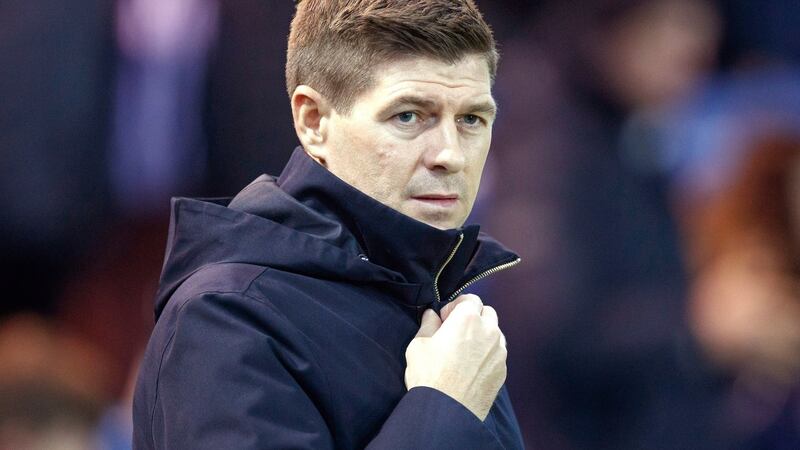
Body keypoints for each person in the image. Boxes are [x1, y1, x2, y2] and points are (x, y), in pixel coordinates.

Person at [132, 1, 523, 449]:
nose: (450, 155)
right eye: (409, 116)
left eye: (471, 119)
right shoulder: (225, 320)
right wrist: (444, 407)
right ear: (313, 121)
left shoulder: (440, 297)